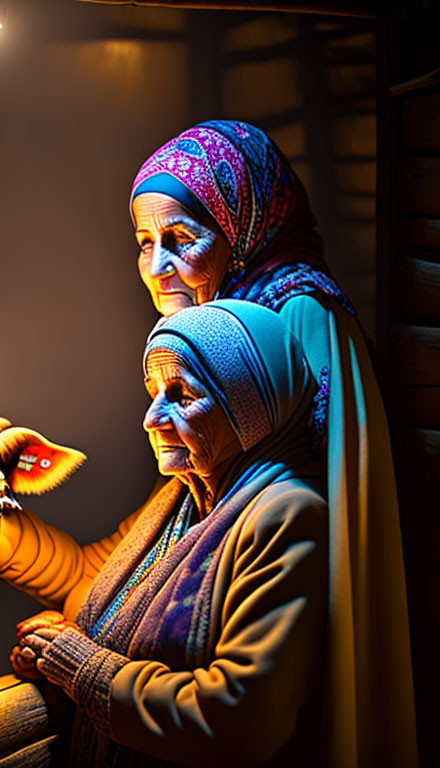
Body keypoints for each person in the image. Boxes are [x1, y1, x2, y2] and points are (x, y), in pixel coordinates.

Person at [127, 120, 415, 766]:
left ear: (239, 224)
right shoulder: (224, 309)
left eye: (178, 240)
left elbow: (329, 481)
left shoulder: (301, 311)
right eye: (144, 243)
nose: (157, 268)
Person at [14, 300, 327, 767]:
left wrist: (81, 667)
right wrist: (53, 643)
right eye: (153, 392)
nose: (151, 418)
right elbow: (105, 608)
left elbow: (240, 718)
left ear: (250, 405)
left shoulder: (287, 515)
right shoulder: (180, 496)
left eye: (181, 394)